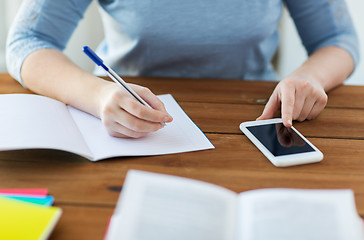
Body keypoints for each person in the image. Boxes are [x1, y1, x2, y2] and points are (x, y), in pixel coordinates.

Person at [6, 0, 359, 138]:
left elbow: (337, 37)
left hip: (256, 122)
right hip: (121, 121)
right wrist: (98, 95)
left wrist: (309, 78)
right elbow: (27, 40)